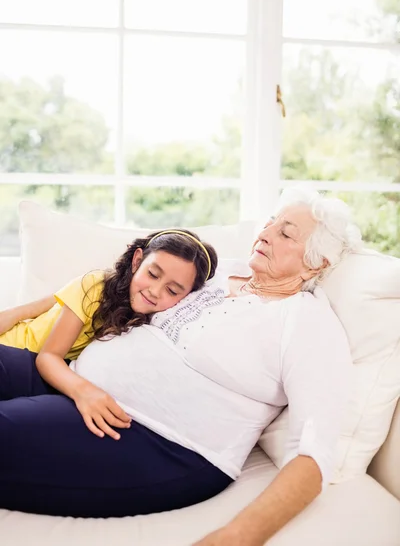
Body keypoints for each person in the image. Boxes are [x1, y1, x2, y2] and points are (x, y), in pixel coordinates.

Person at [0, 188, 361, 546]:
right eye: (270, 223)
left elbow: (313, 453)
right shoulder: (223, 274)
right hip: (72, 378)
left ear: (316, 263)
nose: (265, 234)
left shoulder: (308, 322)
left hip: (154, 440)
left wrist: (236, 537)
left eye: (285, 234)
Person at [0, 229, 217, 439]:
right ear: (137, 261)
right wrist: (85, 392)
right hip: (16, 353)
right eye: (152, 274)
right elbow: (48, 356)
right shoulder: (97, 286)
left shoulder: (161, 323)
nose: (155, 291)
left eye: (172, 291)